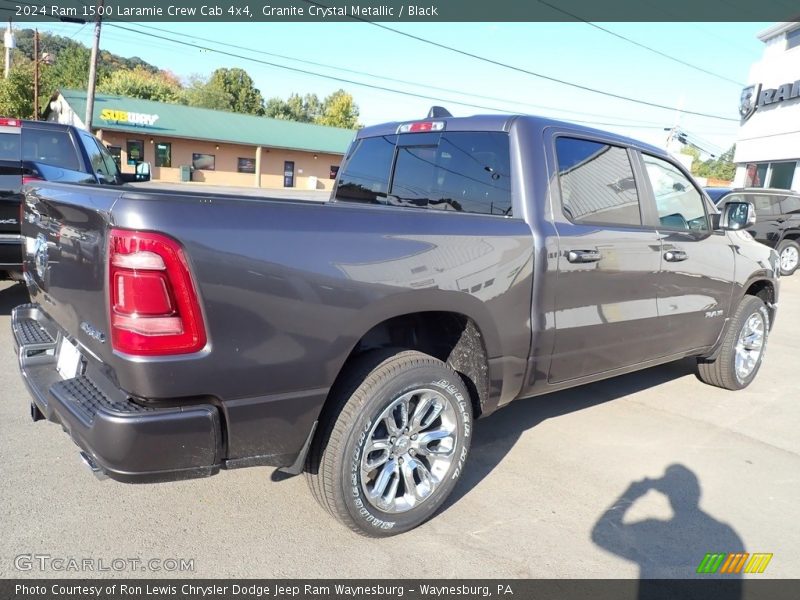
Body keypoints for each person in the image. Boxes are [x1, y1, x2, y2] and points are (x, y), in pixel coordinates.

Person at [592, 464, 744, 599]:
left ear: (666, 492)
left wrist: (632, 493)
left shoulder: (656, 533)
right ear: (697, 492)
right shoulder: (726, 535)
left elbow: (601, 533)